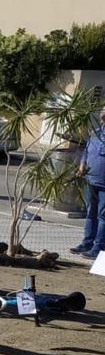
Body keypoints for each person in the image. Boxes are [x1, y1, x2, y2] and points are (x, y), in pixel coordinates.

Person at [70, 110, 105, 259]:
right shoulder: (96, 132)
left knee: (103, 216)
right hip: (90, 180)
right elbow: (86, 151)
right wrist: (82, 165)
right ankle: (87, 243)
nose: (102, 115)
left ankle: (99, 247)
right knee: (91, 213)